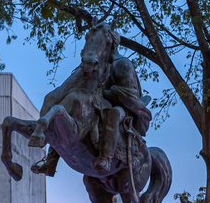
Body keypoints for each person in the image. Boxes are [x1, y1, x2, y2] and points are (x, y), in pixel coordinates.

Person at [31, 25, 152, 176]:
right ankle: (51, 159)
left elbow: (130, 93)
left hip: (121, 107)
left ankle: (106, 157)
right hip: (96, 101)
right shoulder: (96, 63)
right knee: (69, 109)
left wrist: (108, 92)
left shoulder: (122, 64)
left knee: (113, 113)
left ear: (111, 44)